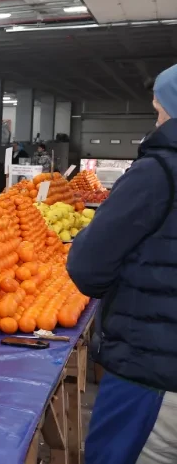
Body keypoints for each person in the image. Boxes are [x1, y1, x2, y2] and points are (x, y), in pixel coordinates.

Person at [67, 65, 177, 464]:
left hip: (152, 370)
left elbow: (88, 263)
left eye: (158, 110)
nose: (157, 119)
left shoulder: (159, 171)